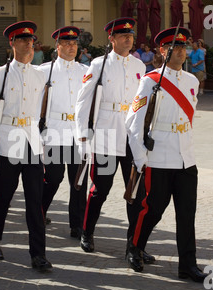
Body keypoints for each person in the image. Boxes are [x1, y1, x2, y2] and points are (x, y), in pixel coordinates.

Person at [125, 26, 208, 283]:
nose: (182, 51)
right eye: (177, 47)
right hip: (158, 155)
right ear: (163, 50)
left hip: (185, 157)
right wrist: (140, 158)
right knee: (152, 209)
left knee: (187, 212)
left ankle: (188, 265)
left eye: (185, 47)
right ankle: (135, 246)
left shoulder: (192, 81)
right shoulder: (150, 81)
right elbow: (134, 121)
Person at [0, 21, 52, 272]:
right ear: (12, 43)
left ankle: (38, 253)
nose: (28, 44)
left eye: (31, 40)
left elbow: (40, 112)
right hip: (8, 141)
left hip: (31, 142)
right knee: (2, 197)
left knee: (35, 200)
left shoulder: (39, 74)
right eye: (22, 40)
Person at [75, 17, 147, 254]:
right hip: (105, 134)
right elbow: (83, 101)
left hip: (131, 135)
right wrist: (83, 136)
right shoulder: (98, 64)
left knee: (135, 191)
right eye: (123, 35)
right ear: (112, 39)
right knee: (100, 189)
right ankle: (87, 231)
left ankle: (134, 243)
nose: (129, 39)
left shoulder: (140, 67)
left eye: (131, 35)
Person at [37, 26, 88, 239]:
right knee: (53, 177)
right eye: (66, 43)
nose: (71, 47)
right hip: (55, 132)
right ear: (57, 47)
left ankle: (78, 224)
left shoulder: (85, 72)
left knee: (78, 181)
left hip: (77, 133)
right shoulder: (44, 71)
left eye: (74, 43)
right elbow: (37, 102)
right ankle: (39, 210)